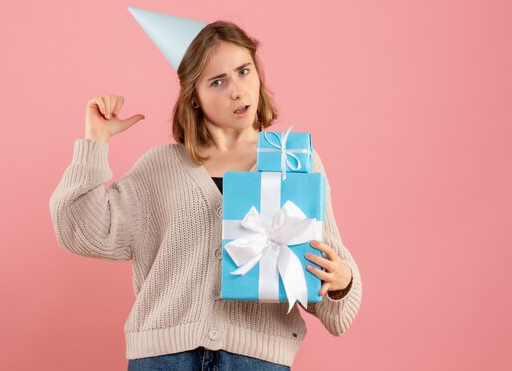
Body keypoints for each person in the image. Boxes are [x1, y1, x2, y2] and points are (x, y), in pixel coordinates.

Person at [49, 19, 362, 370]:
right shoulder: (160, 168)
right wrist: (96, 141)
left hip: (256, 361)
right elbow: (79, 230)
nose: (238, 91)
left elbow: (336, 307)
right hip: (163, 359)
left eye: (244, 71)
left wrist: (341, 282)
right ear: (193, 97)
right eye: (218, 81)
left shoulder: (295, 161)